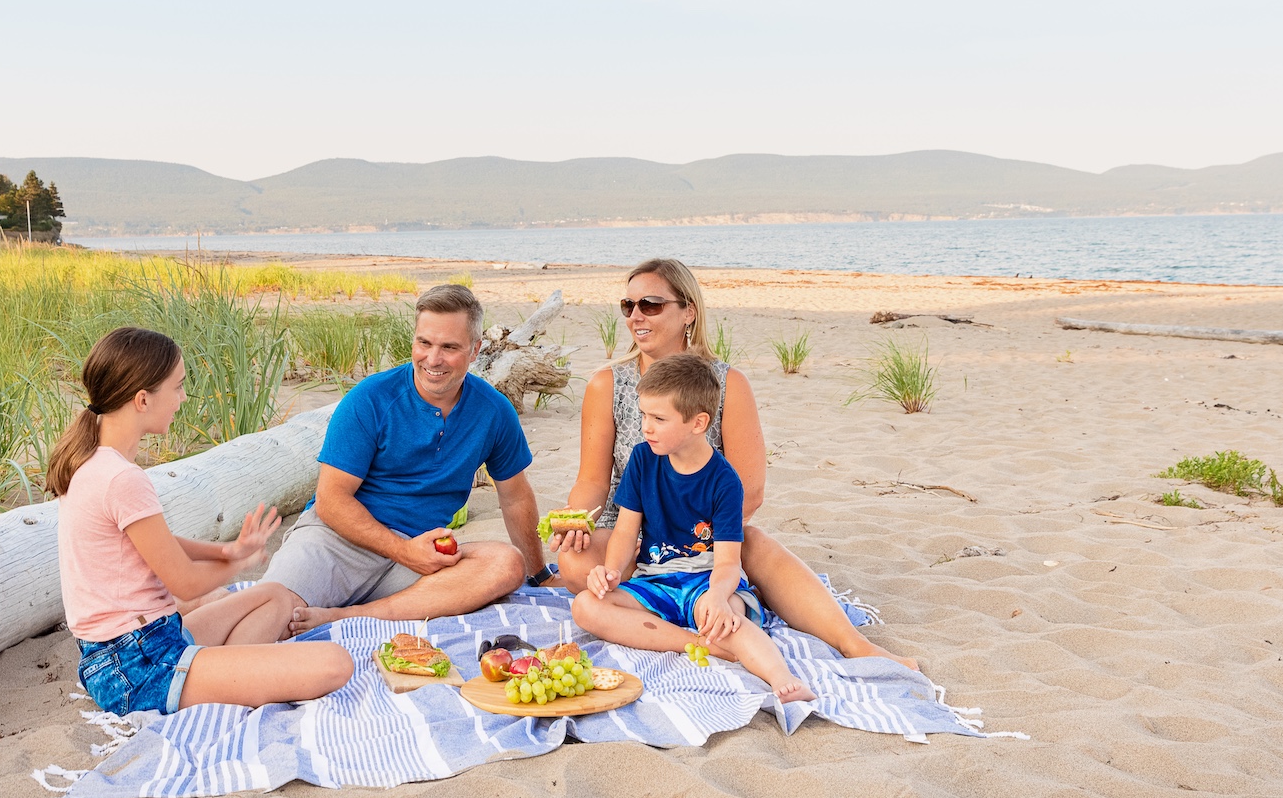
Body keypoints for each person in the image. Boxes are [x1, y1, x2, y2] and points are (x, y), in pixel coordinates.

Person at [557, 258, 917, 669]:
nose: (636, 315)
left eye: (651, 304)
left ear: (688, 310)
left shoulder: (728, 384)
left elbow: (751, 489)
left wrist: (693, 540)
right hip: (631, 529)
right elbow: (592, 482)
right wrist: (576, 521)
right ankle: (700, 622)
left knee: (757, 544)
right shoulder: (608, 383)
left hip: (707, 529)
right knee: (574, 561)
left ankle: (854, 644)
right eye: (628, 305)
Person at [46, 326, 353, 715]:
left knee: (274, 595)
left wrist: (226, 548)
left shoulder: (94, 460)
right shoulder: (120, 478)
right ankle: (226, 677)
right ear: (142, 399)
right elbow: (186, 584)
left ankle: (227, 674)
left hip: (145, 642)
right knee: (335, 664)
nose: (183, 398)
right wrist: (239, 562)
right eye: (177, 387)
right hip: (136, 665)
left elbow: (156, 541)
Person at [274, 284, 545, 633]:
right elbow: (330, 501)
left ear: (475, 349)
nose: (433, 359)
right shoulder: (370, 398)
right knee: (277, 616)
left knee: (507, 564)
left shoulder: (493, 411)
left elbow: (515, 496)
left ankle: (351, 617)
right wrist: (404, 550)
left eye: (449, 347)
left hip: (421, 558)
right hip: (338, 541)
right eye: (424, 343)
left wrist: (539, 574)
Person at [572, 354, 814, 703]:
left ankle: (781, 677)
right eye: (643, 416)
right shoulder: (642, 459)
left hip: (706, 579)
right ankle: (696, 644)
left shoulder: (724, 480)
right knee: (585, 606)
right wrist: (610, 570)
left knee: (725, 619)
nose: (646, 428)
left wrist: (717, 596)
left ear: (698, 423)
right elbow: (626, 532)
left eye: (658, 418)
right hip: (655, 580)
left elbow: (729, 561)